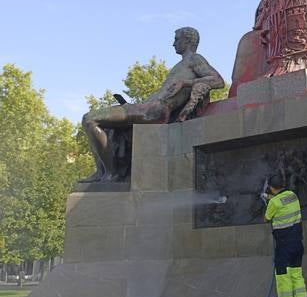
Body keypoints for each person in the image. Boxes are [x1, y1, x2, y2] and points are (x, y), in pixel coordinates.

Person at [82, 27, 224, 182]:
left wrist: (186, 83)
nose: (173, 44)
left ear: (188, 41)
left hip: (155, 110)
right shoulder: (181, 64)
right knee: (103, 125)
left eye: (177, 39)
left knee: (90, 119)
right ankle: (102, 172)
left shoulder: (195, 59)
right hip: (147, 107)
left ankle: (112, 174)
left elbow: (218, 80)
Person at [263, 173, 307, 297]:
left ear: (271, 187)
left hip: (284, 247)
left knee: (283, 277)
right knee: (297, 275)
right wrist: (269, 197)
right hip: (297, 244)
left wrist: (266, 201)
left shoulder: (273, 203)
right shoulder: (292, 196)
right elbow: (281, 200)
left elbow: (266, 218)